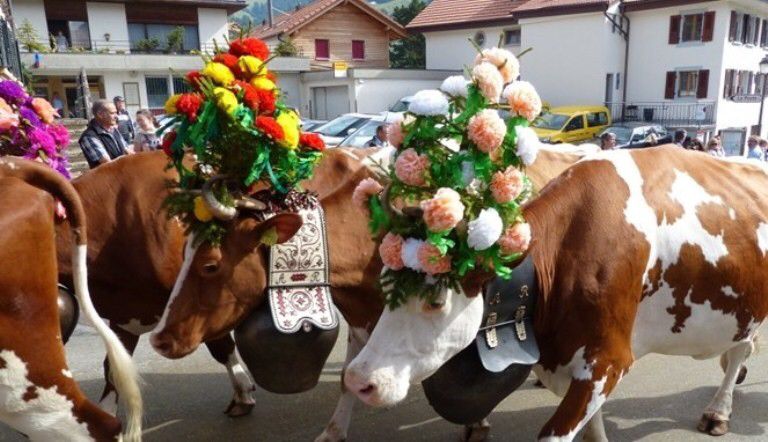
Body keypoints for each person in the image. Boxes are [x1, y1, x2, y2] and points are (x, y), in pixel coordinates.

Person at [79, 99, 131, 169]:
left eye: (116, 113)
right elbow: (107, 163)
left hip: (122, 174)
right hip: (107, 178)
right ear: (100, 114)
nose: (116, 116)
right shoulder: (89, 136)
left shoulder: (113, 129)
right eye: (112, 113)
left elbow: (127, 150)